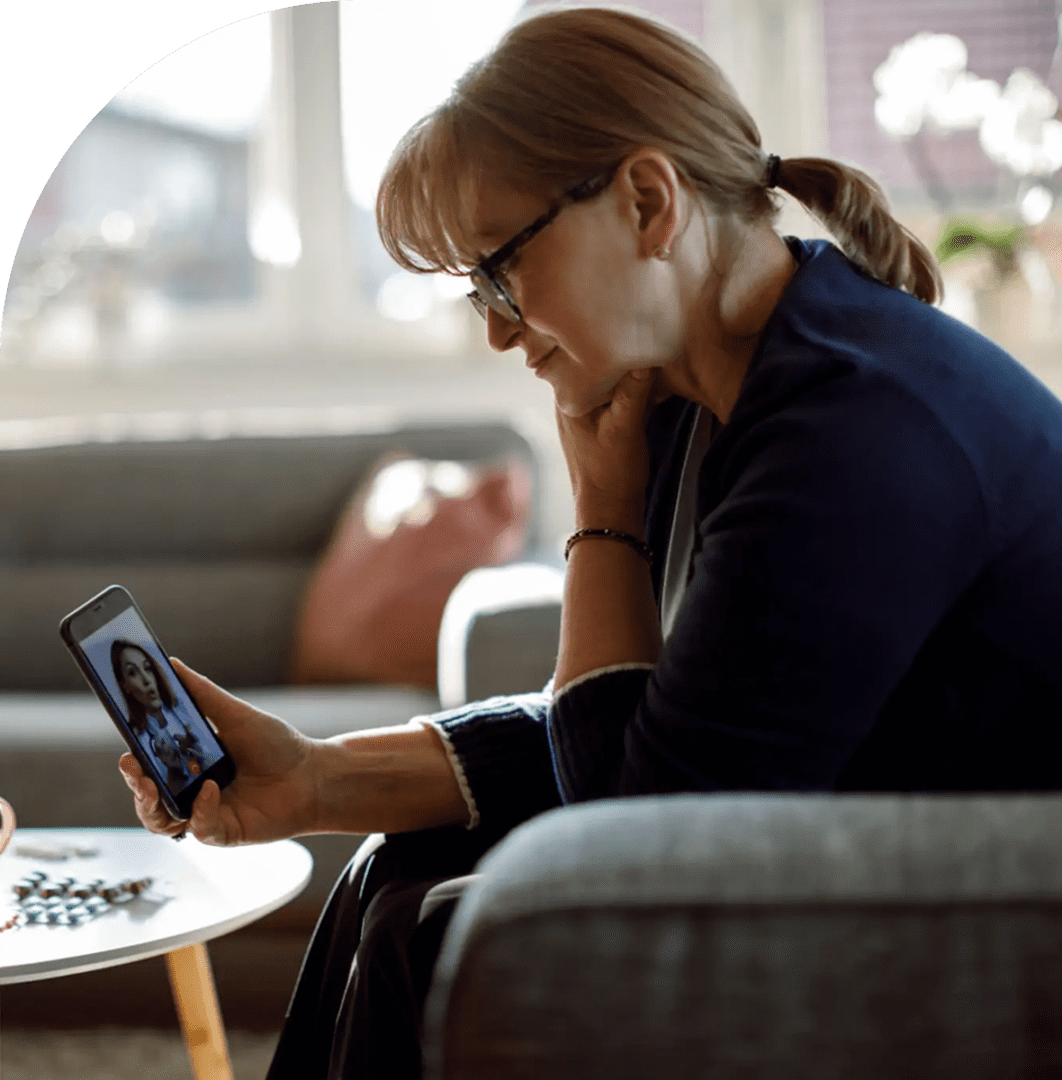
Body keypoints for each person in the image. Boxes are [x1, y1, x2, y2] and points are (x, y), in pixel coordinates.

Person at [118, 7, 1062, 1077]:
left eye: (501, 271)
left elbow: (638, 834)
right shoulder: (714, 391)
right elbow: (662, 733)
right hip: (830, 834)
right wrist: (321, 780)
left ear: (648, 202)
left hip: (982, 897)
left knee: (421, 933)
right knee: (391, 876)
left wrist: (604, 513)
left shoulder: (853, 430)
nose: (496, 327)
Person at [111, 640, 210, 790]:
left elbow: (214, 760)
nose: (146, 680)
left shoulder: (183, 707)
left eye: (147, 668)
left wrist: (198, 754)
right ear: (125, 685)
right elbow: (168, 796)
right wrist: (174, 770)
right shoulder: (140, 740)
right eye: (132, 672)